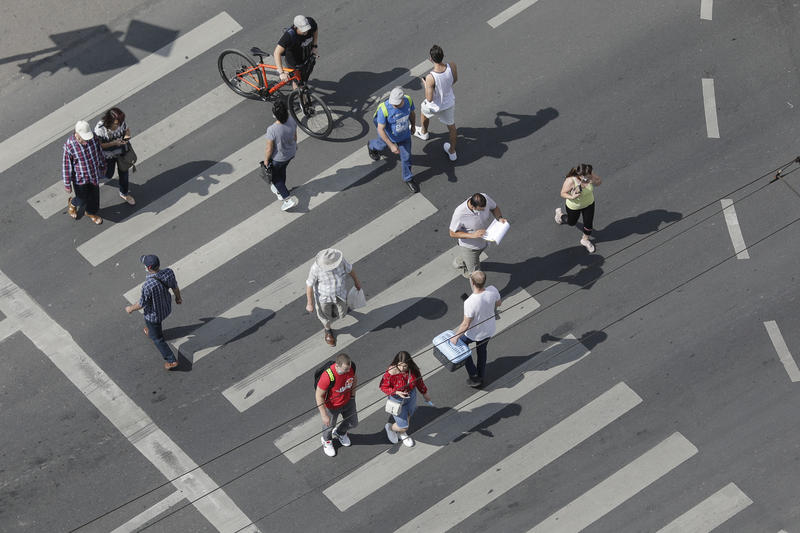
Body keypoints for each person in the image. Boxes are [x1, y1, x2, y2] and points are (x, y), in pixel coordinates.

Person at [125, 255, 183, 370]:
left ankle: (171, 360)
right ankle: (151, 331)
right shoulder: (169, 272)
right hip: (166, 307)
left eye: (145, 265)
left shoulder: (148, 285)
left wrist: (130, 309)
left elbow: (142, 304)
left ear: (149, 267)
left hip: (154, 315)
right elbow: (175, 287)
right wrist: (178, 298)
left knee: (158, 339)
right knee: (153, 327)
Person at [450, 271, 501, 387]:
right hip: (489, 330)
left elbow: (465, 324)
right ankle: (481, 376)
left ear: (472, 282)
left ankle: (473, 374)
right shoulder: (493, 290)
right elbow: (498, 303)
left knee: (462, 346)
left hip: (474, 333)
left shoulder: (470, 302)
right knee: (482, 351)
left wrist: (455, 337)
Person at [367, 87, 420, 193]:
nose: (393, 105)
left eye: (396, 104)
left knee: (407, 157)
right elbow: (380, 129)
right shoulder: (384, 108)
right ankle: (371, 145)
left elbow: (412, 114)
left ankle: (408, 178)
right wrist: (391, 145)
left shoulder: (408, 100)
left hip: (404, 136)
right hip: (387, 136)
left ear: (402, 100)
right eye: (392, 103)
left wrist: (413, 125)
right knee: (380, 146)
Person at [306, 248, 362, 346]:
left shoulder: (341, 261)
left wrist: (357, 282)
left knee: (342, 312)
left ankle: (336, 311)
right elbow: (309, 285)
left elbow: (350, 270)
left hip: (340, 294)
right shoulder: (315, 268)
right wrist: (309, 303)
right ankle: (328, 331)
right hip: (324, 299)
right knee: (325, 317)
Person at [414, 44, 458, 161]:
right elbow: (455, 79)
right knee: (452, 128)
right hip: (448, 103)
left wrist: (426, 85)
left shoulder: (430, 77)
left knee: (423, 111)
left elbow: (429, 98)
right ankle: (452, 152)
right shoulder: (452, 65)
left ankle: (424, 132)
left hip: (435, 106)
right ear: (443, 56)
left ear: (431, 59)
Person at [379, 351, 432, 447]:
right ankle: (392, 428)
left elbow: (419, 381)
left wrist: (425, 393)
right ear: (396, 363)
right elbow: (383, 387)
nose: (402, 368)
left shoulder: (413, 370)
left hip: (411, 395)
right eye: (400, 365)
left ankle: (400, 432)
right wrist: (396, 392)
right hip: (396, 399)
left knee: (408, 414)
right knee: (404, 426)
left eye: (405, 366)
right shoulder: (390, 373)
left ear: (409, 364)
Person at [449, 193, 506, 277]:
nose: (484, 210)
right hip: (470, 247)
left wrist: (500, 218)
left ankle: (460, 262)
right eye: (481, 210)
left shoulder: (484, 198)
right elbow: (452, 233)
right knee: (475, 275)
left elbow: (494, 208)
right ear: (472, 206)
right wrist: (473, 235)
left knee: (472, 258)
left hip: (484, 240)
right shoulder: (459, 213)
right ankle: (468, 273)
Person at [62, 120, 106, 225]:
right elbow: (66, 165)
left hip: (93, 175)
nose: (86, 142)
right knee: (81, 199)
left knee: (94, 198)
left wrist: (103, 165)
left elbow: (99, 152)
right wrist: (67, 184)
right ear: (76, 134)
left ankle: (90, 212)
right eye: (83, 139)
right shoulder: (70, 145)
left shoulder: (94, 138)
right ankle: (72, 204)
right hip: (80, 179)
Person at [316, 353, 358, 457]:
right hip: (332, 407)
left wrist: (352, 397)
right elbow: (318, 395)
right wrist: (324, 415)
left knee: (353, 422)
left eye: (348, 369)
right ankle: (326, 441)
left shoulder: (351, 367)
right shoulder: (327, 376)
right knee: (329, 427)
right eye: (345, 369)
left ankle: (340, 432)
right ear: (337, 366)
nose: (348, 371)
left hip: (348, 401)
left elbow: (354, 379)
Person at [554, 163, 602, 253]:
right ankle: (560, 216)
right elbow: (562, 193)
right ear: (580, 175)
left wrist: (595, 181)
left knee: (588, 224)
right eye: (587, 176)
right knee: (571, 222)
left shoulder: (589, 174)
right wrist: (572, 197)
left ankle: (585, 240)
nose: (590, 176)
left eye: (590, 174)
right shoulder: (570, 180)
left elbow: (599, 181)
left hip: (589, 203)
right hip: (574, 207)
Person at [94, 107, 135, 205]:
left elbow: (127, 130)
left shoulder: (121, 123)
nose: (119, 125)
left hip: (121, 153)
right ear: (109, 121)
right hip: (108, 156)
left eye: (120, 123)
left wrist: (126, 139)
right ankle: (93, 180)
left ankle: (124, 193)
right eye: (116, 123)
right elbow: (99, 145)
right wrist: (114, 143)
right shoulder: (100, 129)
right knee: (108, 175)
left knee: (124, 174)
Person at [264, 100, 299, 211]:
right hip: (291, 153)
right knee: (281, 171)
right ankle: (280, 190)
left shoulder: (272, 130)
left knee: (275, 178)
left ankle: (287, 199)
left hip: (278, 158)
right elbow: (294, 136)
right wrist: (295, 146)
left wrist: (266, 160)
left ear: (274, 115)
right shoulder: (292, 120)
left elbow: (269, 149)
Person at [274, 15, 318, 89]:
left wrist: (314, 46)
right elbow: (276, 52)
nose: (306, 32)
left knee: (305, 76)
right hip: (294, 60)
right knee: (297, 81)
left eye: (307, 29)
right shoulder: (289, 36)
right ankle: (301, 96)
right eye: (303, 30)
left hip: (306, 56)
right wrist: (281, 73)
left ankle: (292, 76)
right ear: (295, 27)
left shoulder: (311, 23)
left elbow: (315, 30)